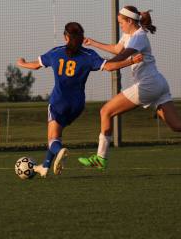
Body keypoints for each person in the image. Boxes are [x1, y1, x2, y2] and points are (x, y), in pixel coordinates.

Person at [78, 6, 181, 171]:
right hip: (158, 83)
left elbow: (122, 56)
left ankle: (100, 158)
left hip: (147, 84)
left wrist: (104, 64)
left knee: (106, 111)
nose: (120, 26)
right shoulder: (129, 35)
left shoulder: (138, 37)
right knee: (176, 124)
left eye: (121, 23)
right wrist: (93, 43)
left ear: (130, 21)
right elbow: (118, 49)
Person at [17, 21, 143, 178]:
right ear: (82, 37)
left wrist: (22, 63)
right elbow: (110, 67)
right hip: (77, 105)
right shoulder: (89, 55)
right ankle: (45, 166)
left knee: (53, 139)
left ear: (65, 37)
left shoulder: (56, 52)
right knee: (57, 132)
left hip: (59, 101)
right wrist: (130, 61)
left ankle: (59, 151)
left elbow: (35, 65)